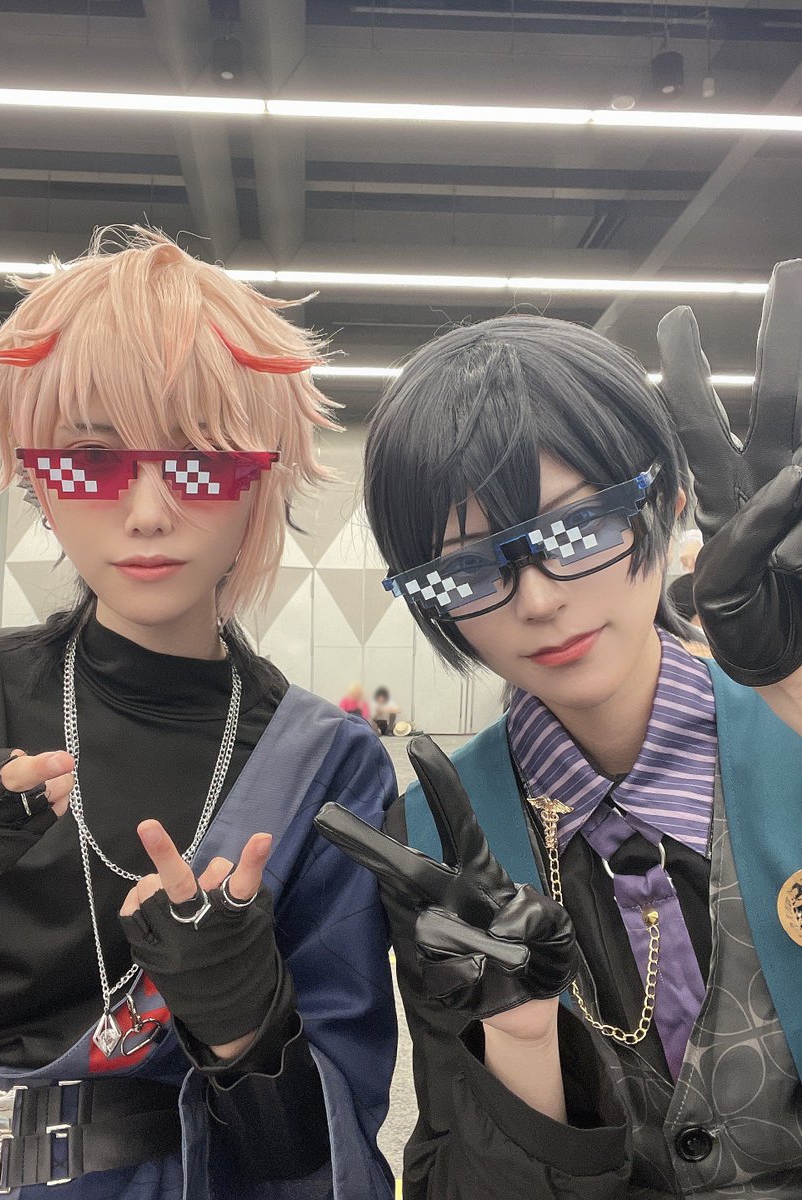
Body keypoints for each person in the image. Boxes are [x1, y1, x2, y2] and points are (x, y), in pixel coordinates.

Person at [0, 227, 396, 1200]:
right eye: (91, 459)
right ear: (39, 479)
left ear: (260, 482)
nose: (149, 509)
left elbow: (315, 1154)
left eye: (203, 461)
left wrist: (251, 1031)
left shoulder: (324, 767)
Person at [316, 271, 802, 1199]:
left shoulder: (791, 730)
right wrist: (522, 1044)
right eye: (467, 572)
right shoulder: (435, 835)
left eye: (576, 529)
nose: (537, 600)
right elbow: (456, 1170)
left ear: (667, 500)